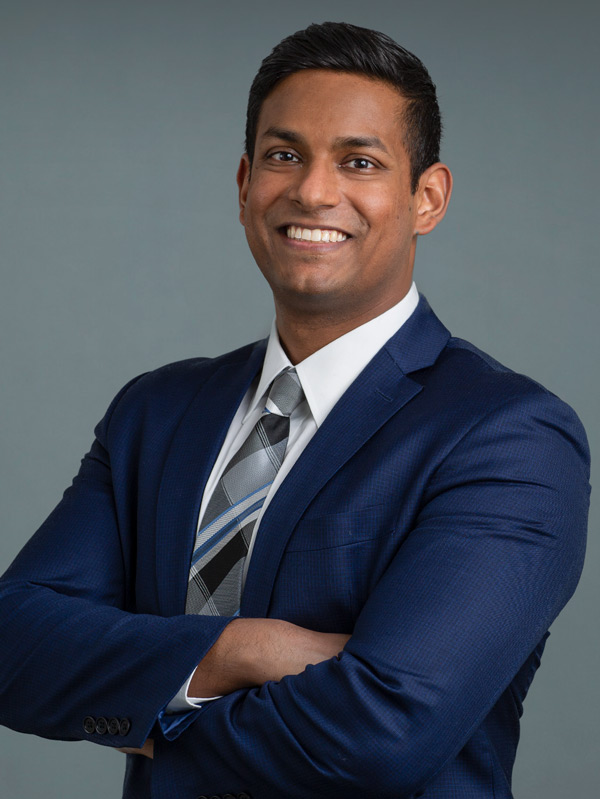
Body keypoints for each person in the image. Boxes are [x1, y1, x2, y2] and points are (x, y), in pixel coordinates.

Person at [0, 21, 590, 799]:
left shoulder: (509, 436)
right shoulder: (154, 413)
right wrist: (243, 649)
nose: (313, 191)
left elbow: (382, 734)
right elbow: (12, 643)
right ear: (245, 183)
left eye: (359, 161)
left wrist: (148, 707)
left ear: (428, 198)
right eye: (284, 156)